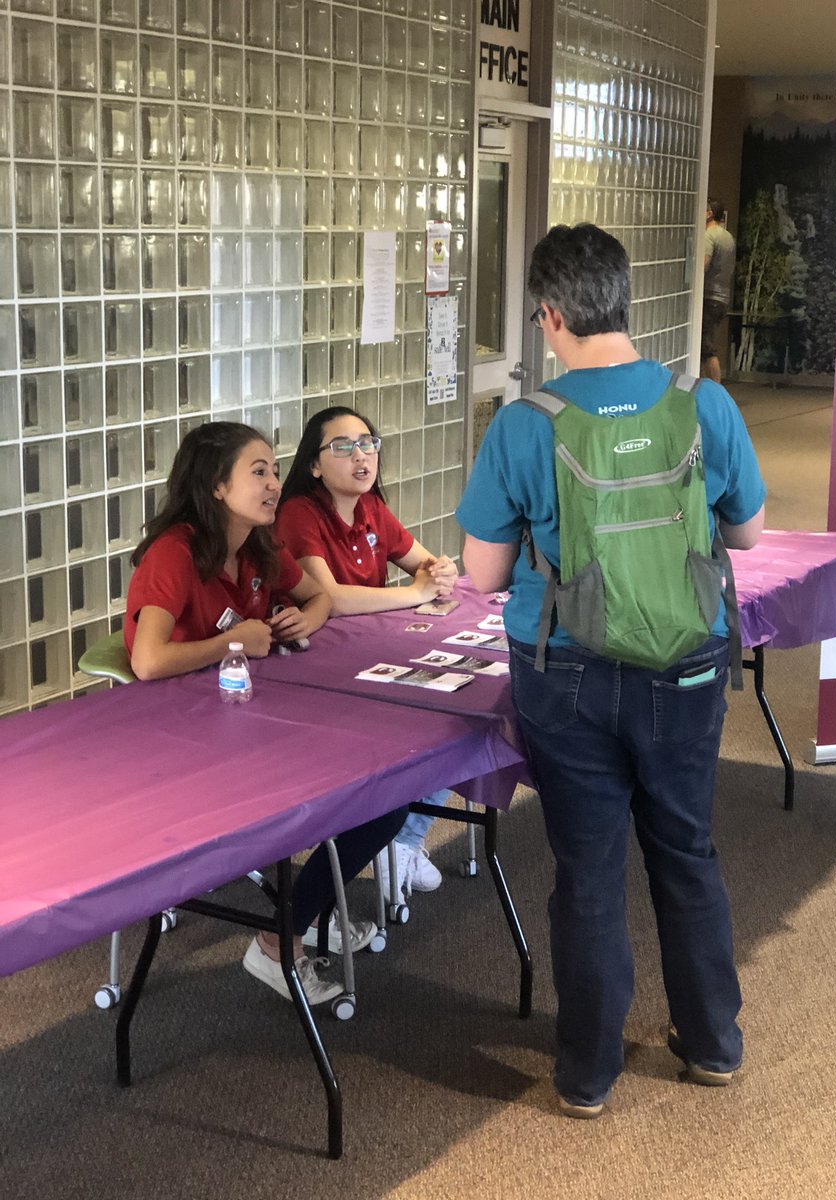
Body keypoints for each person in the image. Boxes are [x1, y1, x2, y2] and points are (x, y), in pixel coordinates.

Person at [456, 223, 766, 1118]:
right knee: (686, 846)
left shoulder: (524, 424)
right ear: (624, 299)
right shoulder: (703, 405)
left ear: (549, 315)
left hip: (569, 669)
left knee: (587, 868)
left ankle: (587, 1075)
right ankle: (711, 1043)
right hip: (691, 662)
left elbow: (479, 576)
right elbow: (743, 533)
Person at [125, 420, 407, 1005]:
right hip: (179, 741)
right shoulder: (175, 553)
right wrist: (238, 641)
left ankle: (303, 918)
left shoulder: (257, 544)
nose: (274, 484)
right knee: (347, 793)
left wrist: (309, 618)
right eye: (259, 472)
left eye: (276, 471)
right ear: (217, 487)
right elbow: (149, 661)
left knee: (387, 793)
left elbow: (317, 594)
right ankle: (281, 941)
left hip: (247, 717)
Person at [276, 406, 459, 902]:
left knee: (464, 714)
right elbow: (328, 598)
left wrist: (438, 573)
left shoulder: (371, 508)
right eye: (343, 446)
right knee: (432, 722)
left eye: (368, 442)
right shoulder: (300, 513)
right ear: (314, 465)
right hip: (318, 672)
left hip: (373, 657)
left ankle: (404, 839)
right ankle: (390, 835)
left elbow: (426, 563)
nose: (361, 455)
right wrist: (416, 594)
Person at [701, 197, 737, 383]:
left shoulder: (708, 235)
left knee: (705, 347)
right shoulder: (728, 236)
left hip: (709, 296)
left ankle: (716, 391)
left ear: (709, 214)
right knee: (705, 346)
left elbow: (703, 265)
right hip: (723, 296)